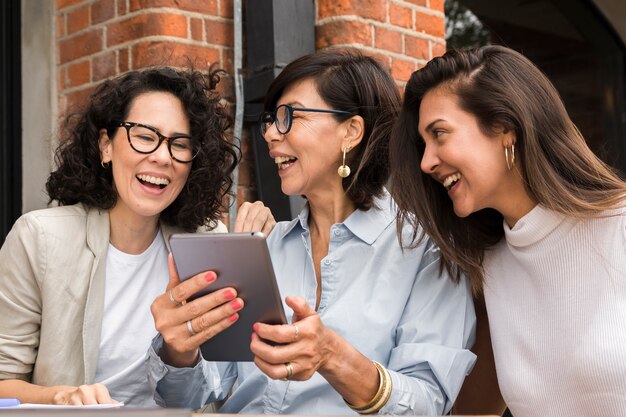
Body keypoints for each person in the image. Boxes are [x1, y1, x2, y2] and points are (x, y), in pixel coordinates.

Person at [148, 49, 477, 415]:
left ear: (351, 132)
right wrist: (180, 350)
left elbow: (428, 405)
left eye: (289, 116)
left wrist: (334, 357)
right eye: (271, 120)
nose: (271, 133)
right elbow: (191, 397)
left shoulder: (426, 253)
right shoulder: (266, 247)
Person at [0, 66, 274, 406]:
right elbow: (2, 381)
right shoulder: (39, 238)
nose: (162, 157)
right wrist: (63, 398)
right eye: (145, 136)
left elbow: (208, 393)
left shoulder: (208, 242)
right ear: (106, 146)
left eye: (180, 144)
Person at [389, 45, 626, 417]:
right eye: (423, 144)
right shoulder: (488, 267)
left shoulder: (620, 228)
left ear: (504, 127)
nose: (426, 162)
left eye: (439, 134)